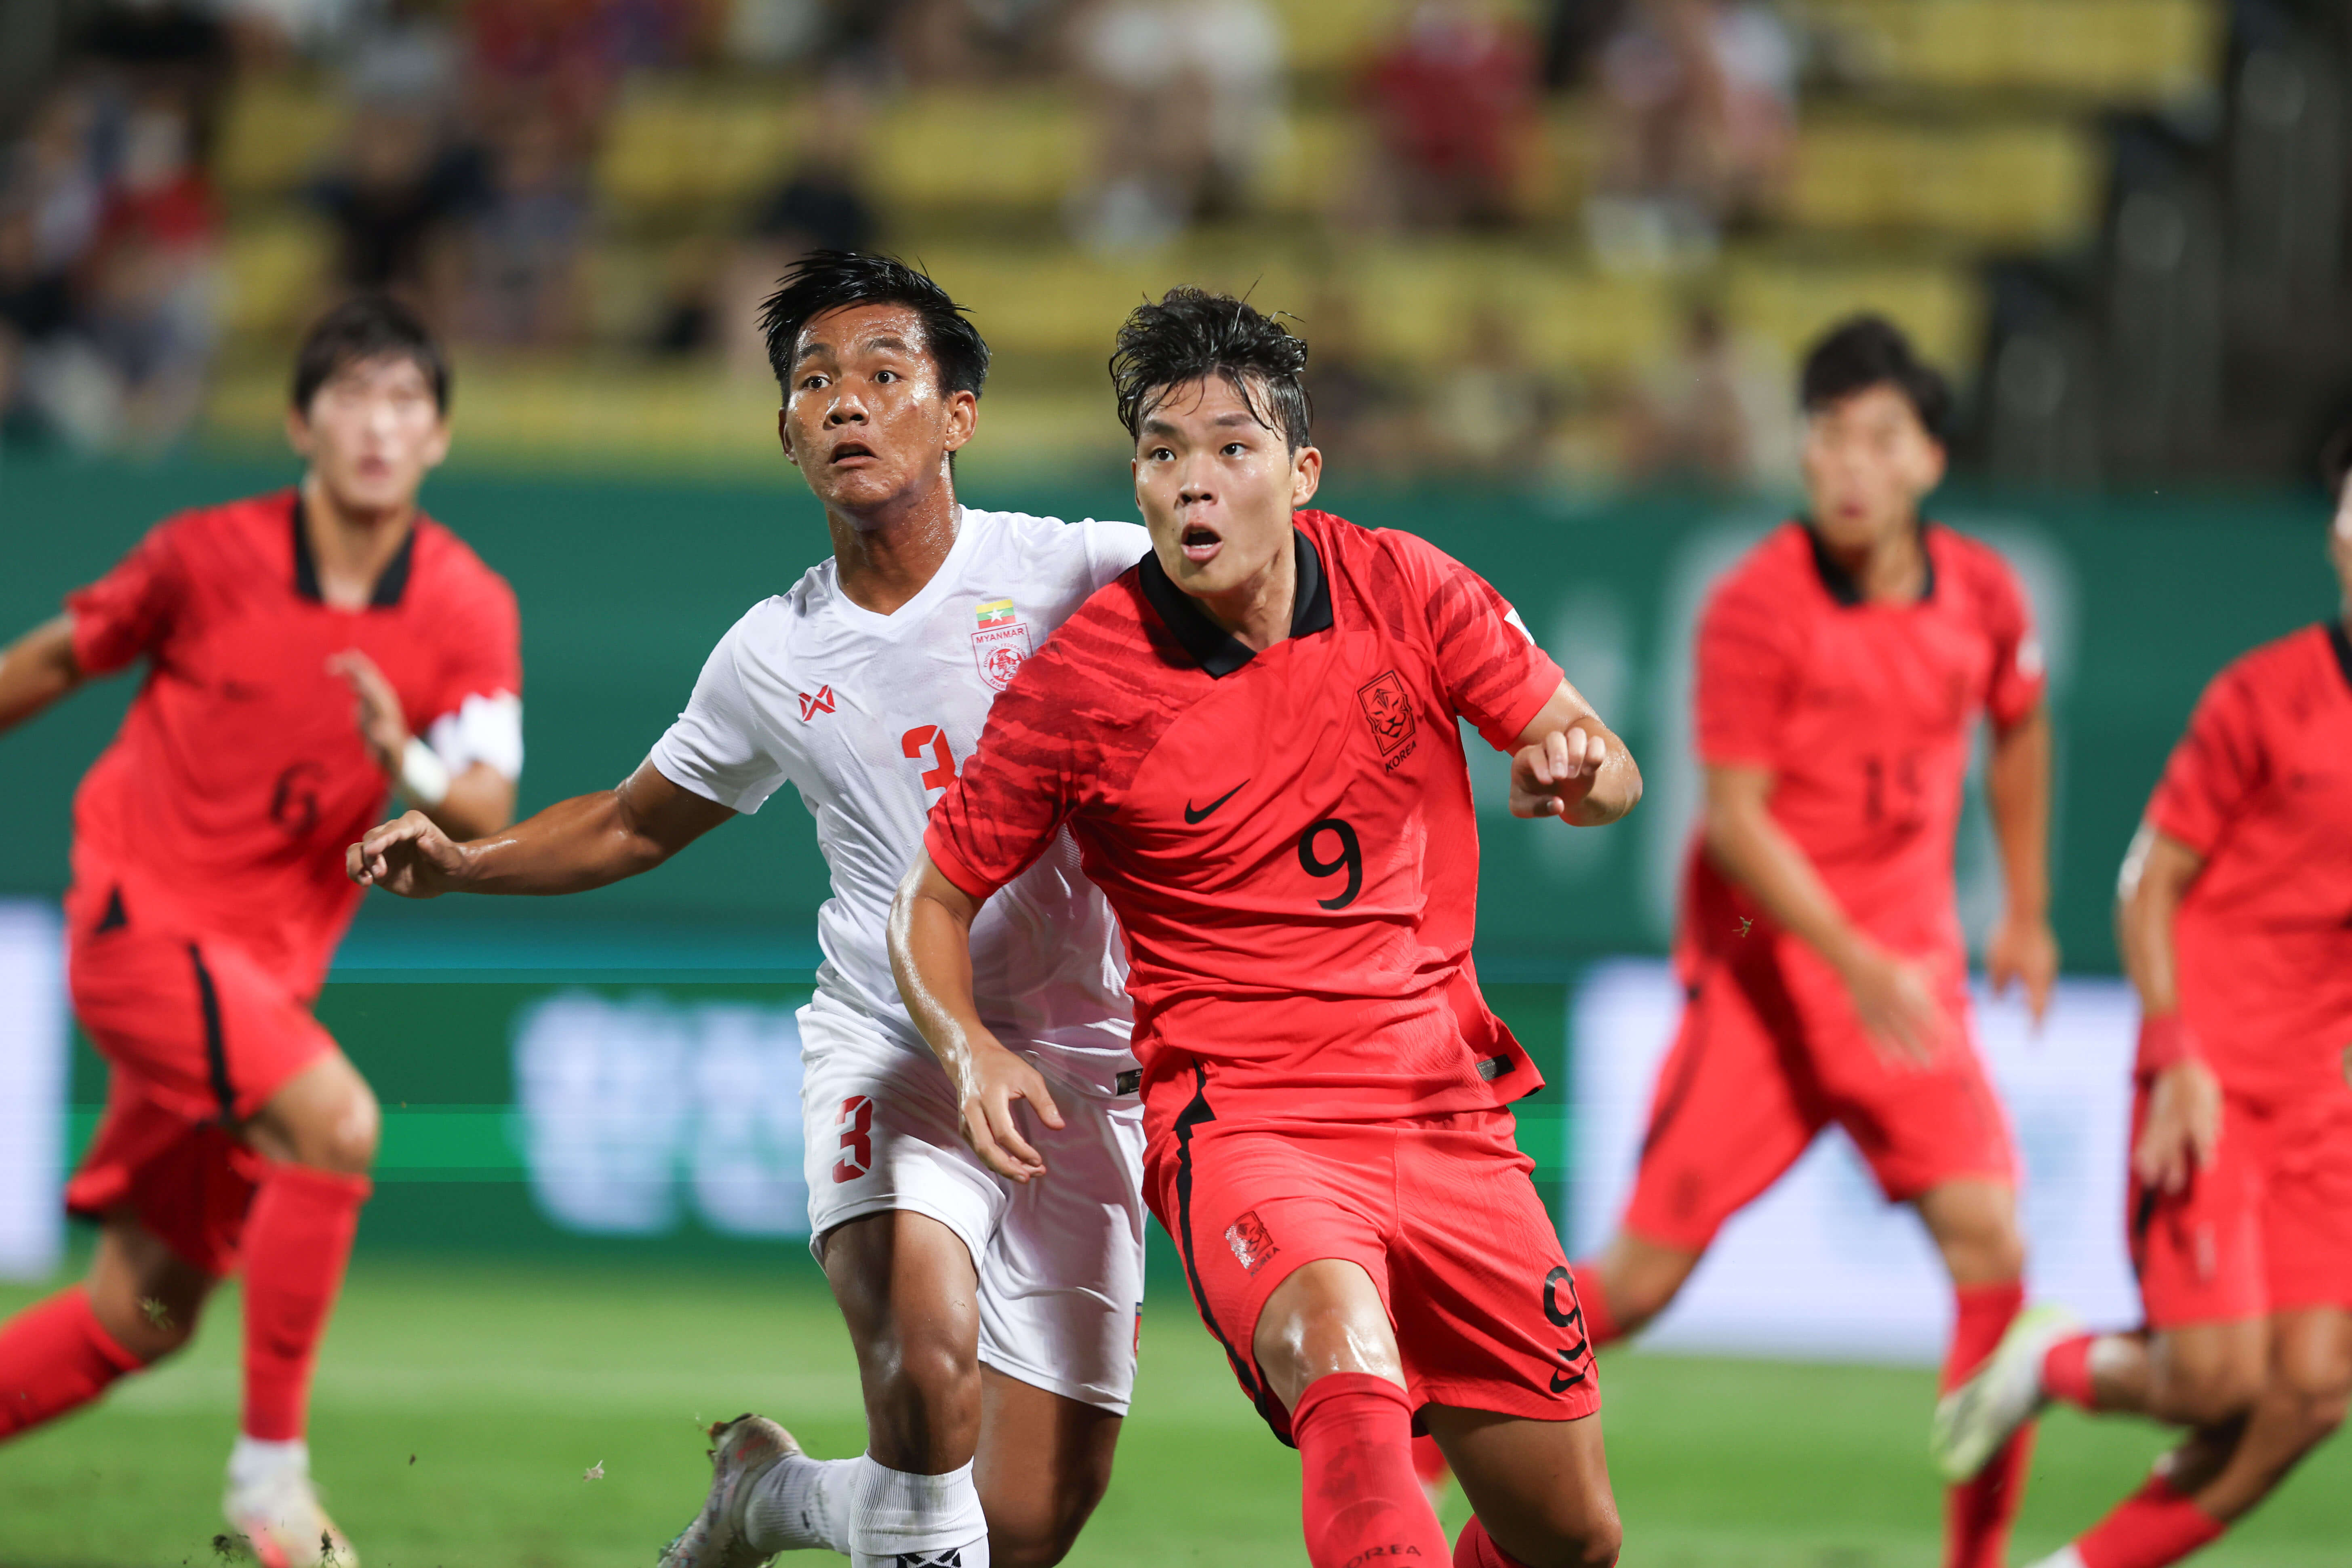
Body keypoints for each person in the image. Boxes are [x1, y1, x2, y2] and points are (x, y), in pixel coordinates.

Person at [345, 251, 1151, 1568]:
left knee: (1023, 1523)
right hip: (894, 1046)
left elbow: (1282, 612)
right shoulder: (775, 652)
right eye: (814, 382)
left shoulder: (1084, 574)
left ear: (958, 416)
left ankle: (763, 1498)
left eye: (885, 377)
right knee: (926, 1369)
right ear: (784, 428)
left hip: (1079, 1072)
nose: (845, 404)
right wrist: (468, 859)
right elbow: (627, 819)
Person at [890, 287, 1641, 1568]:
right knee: (1341, 1359)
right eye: (1164, 453)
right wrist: (969, 1049)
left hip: (1447, 1116)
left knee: (1570, 1538)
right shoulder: (1085, 684)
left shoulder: (1407, 585)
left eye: (1231, 450)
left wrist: (1578, 764)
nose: (1195, 483)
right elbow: (933, 899)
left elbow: (1606, 762)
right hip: (1248, 1125)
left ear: (1299, 471)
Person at [0, 294, 522, 1567]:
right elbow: (65, 657)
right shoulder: (201, 555)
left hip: (260, 984)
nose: (378, 424)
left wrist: (409, 760)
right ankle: (272, 1483)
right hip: (136, 923)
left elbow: (490, 805)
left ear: (440, 435)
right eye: (352, 395)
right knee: (339, 1122)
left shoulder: (467, 607)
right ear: (300, 421)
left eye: (407, 400)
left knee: (143, 1313)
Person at [1568, 315, 2058, 1568]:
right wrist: (1853, 958)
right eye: (1829, 434)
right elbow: (1734, 822)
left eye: (1879, 437)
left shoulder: (1987, 595)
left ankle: (1978, 1557)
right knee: (1634, 1284)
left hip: (1905, 981)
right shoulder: (1757, 604)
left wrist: (2028, 909)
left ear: (1930, 461)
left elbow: (2020, 724)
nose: (1849, 464)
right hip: (1771, 984)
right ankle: (1406, 1430)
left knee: (1996, 1251)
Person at [1936, 430, 2352, 1568]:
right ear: (2333, 532)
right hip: (2206, 1071)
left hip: (2320, 1095)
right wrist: (2175, 1051)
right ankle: (2051, 1358)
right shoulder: (2267, 696)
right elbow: (2146, 882)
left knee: (2312, 1391)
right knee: (2215, 1377)